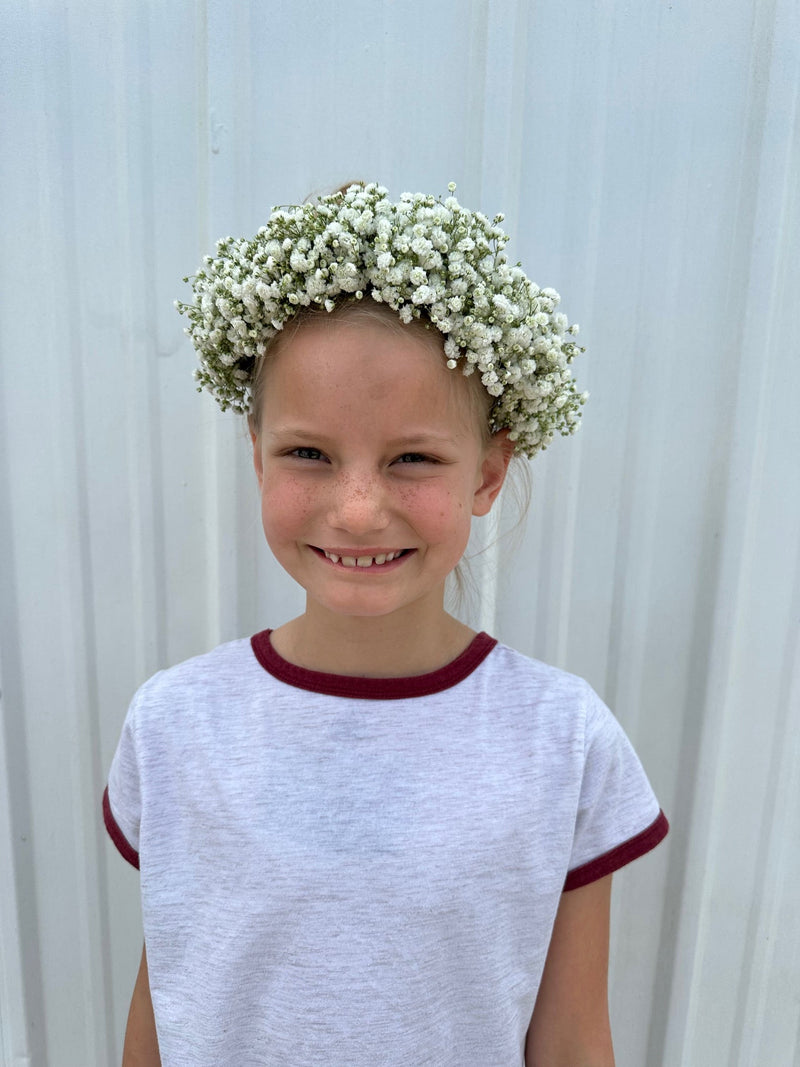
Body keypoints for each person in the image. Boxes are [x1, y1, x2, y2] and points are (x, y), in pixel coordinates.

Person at [103, 183, 668, 1067]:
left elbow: (570, 1036)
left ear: (488, 472)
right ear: (256, 456)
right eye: (308, 454)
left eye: (412, 458)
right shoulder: (174, 723)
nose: (358, 508)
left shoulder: (564, 738)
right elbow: (168, 990)